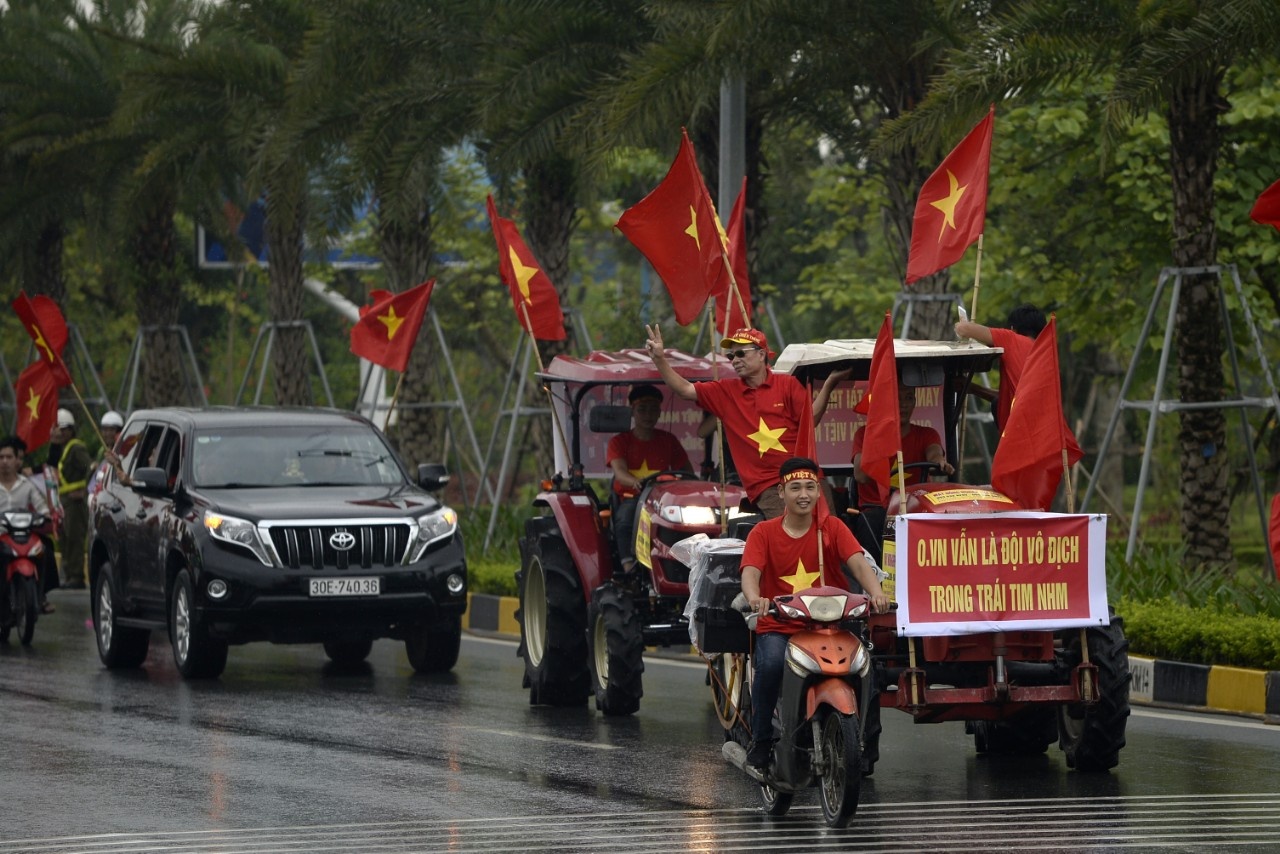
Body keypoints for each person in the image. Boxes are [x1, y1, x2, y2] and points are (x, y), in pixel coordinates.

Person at [738, 457, 890, 770]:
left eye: (810, 487)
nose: (803, 494)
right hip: (780, 626)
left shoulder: (832, 527)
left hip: (831, 626)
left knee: (867, 670)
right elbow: (750, 574)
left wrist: (876, 592)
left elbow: (859, 564)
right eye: (795, 488)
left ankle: (865, 746)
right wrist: (756, 599)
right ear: (781, 492)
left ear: (819, 492)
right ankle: (762, 740)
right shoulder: (763, 533)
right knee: (768, 665)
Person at [644, 324, 843, 519]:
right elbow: (685, 390)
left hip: (807, 477)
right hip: (769, 485)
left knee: (828, 533)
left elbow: (810, 422)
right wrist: (660, 359)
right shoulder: (726, 391)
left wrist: (829, 385)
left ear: (762, 354)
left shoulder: (787, 384)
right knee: (791, 536)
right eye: (731, 356)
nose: (734, 360)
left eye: (741, 354)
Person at [606, 384, 693, 568]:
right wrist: (636, 482)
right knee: (625, 519)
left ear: (659, 413)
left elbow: (688, 473)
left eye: (653, 410)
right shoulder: (619, 441)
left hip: (664, 501)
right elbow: (620, 473)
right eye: (642, 410)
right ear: (632, 412)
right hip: (633, 498)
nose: (648, 415)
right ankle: (627, 565)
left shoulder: (669, 440)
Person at [955, 303, 1047, 431]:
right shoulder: (1045, 354)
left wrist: (960, 323)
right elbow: (1008, 400)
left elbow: (964, 329)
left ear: (1013, 329)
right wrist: (971, 388)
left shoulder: (1012, 339)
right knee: (996, 404)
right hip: (1046, 430)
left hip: (1022, 430)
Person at [0, 436, 55, 613]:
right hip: (1, 536)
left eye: (9, 457)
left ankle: (41, 595)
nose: (5, 462)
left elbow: (41, 507)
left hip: (22, 534)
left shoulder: (27, 485)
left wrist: (46, 516)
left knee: (45, 548)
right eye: (1, 458)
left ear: (17, 460)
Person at [51, 408, 92, 589]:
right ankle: (68, 575)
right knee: (65, 538)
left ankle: (76, 577)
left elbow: (88, 468)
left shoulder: (76, 448)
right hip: (65, 500)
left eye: (64, 429)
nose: (61, 432)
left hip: (75, 502)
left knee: (75, 538)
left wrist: (84, 490)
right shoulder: (63, 449)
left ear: (70, 430)